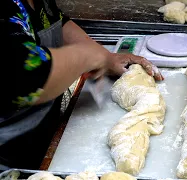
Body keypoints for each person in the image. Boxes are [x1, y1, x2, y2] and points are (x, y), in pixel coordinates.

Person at [0, 0, 164, 170]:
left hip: (41, 138)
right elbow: (26, 77)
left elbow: (55, 22)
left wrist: (104, 56)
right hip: (7, 158)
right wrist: (87, 56)